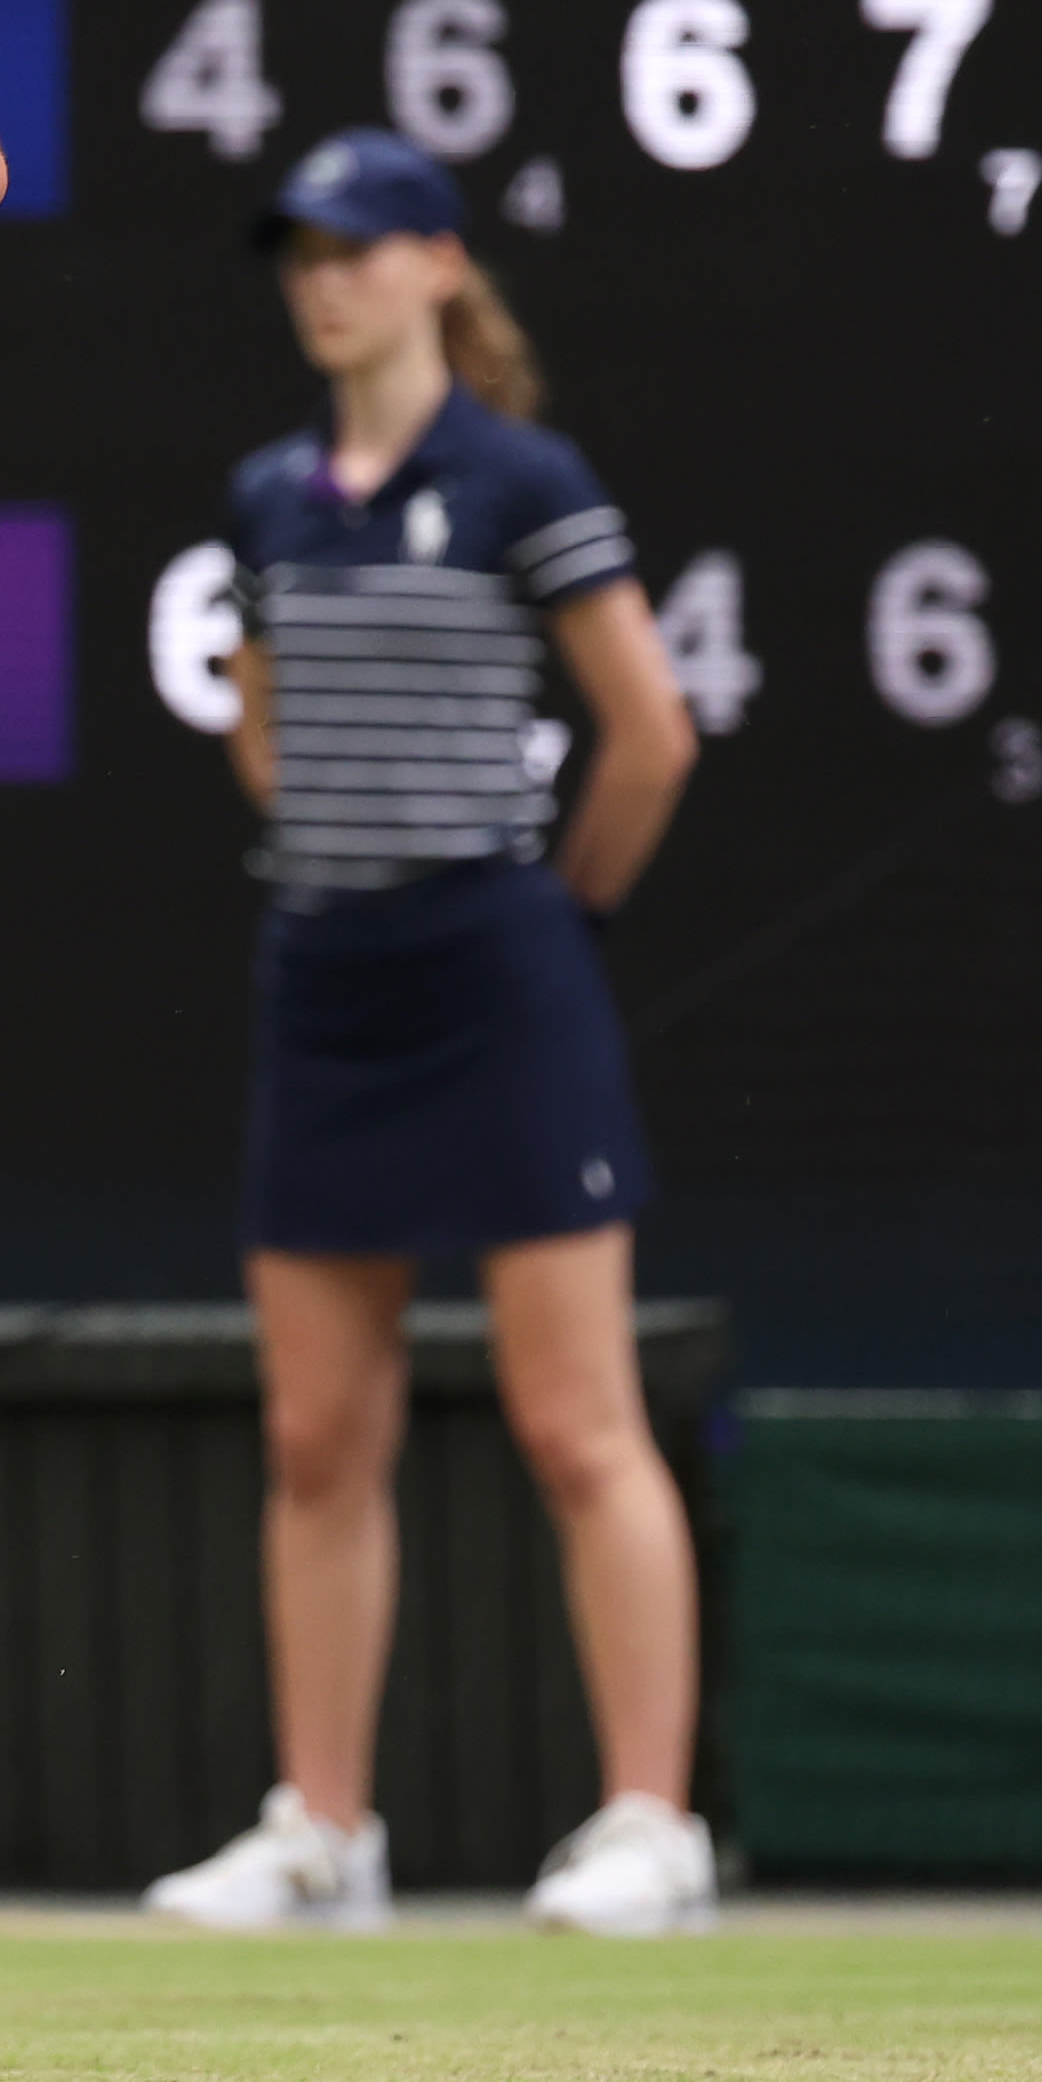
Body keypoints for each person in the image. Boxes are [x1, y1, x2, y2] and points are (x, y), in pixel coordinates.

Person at [143, 128, 715, 1941]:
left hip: (500, 971)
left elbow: (652, 734)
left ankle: (649, 1824)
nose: (325, 278)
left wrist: (564, 921)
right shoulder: (265, 495)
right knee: (317, 1434)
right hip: (327, 978)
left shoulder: (522, 475)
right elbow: (261, 725)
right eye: (301, 251)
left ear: (438, 265)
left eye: (359, 247)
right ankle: (324, 1833)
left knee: (576, 1423)